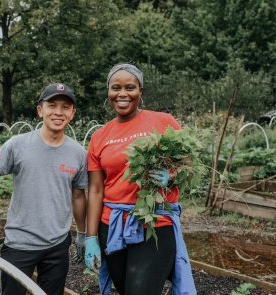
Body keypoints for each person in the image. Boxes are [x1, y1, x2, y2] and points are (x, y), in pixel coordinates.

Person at [84, 64, 196, 295]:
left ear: (140, 91)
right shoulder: (100, 136)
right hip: (112, 226)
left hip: (154, 223)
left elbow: (188, 164)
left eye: (130, 87)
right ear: (108, 92)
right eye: (116, 87)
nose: (122, 94)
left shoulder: (163, 121)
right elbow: (95, 190)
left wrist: (172, 177)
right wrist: (91, 237)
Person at [0, 83, 88, 295]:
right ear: (40, 110)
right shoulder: (18, 144)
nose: (58, 112)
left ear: (72, 113)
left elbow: (78, 195)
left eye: (65, 107)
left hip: (57, 244)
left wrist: (83, 233)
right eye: (52, 105)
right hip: (20, 243)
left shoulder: (78, 153)